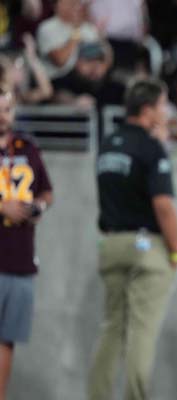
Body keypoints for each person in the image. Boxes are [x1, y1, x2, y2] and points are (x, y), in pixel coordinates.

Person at [88, 79, 177, 400]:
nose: (166, 110)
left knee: (112, 328)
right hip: (147, 248)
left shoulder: (108, 142)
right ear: (147, 110)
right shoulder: (149, 147)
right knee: (142, 332)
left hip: (111, 244)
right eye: (163, 104)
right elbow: (164, 205)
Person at [0, 86, 53, 400]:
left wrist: (38, 208)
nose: (2, 117)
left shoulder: (28, 147)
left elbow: (47, 192)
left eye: (5, 109)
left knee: (7, 340)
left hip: (20, 259)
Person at [36, 0, 109, 81]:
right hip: (55, 79)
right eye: (69, 3)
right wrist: (75, 34)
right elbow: (60, 61)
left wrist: (101, 67)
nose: (75, 6)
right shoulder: (47, 28)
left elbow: (103, 54)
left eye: (76, 3)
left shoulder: (86, 26)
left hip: (84, 79)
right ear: (56, 6)